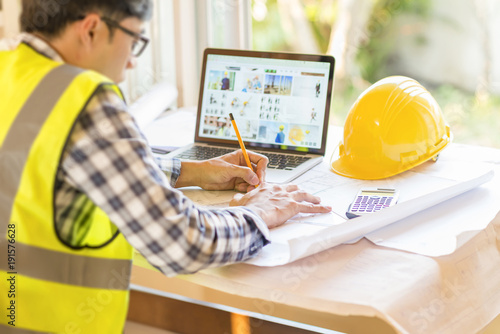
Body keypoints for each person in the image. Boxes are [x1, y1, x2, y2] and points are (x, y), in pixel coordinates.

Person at [0, 0, 331, 332]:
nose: (131, 62)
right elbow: (184, 244)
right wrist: (257, 213)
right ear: (91, 29)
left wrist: (190, 171)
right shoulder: (86, 100)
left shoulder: (8, 68)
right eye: (134, 40)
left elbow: (46, 162)